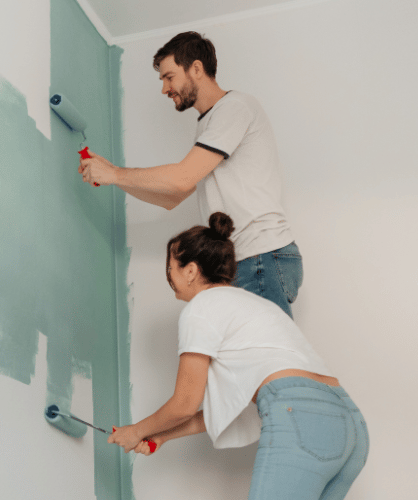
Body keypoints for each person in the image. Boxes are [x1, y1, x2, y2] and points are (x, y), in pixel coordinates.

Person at [107, 212, 368, 500]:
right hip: (350, 426)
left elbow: (184, 403)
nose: (168, 275)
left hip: (300, 418)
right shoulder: (255, 306)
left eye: (171, 267)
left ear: (191, 270)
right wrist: (161, 434)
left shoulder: (201, 308)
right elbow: (224, 410)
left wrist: (135, 431)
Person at [79, 31, 302, 318]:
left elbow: (182, 178)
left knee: (267, 360)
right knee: (245, 359)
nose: (164, 88)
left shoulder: (233, 108)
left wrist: (115, 173)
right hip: (249, 260)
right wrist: (113, 176)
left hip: (261, 257)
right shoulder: (211, 124)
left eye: (169, 77)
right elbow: (172, 196)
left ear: (196, 68)